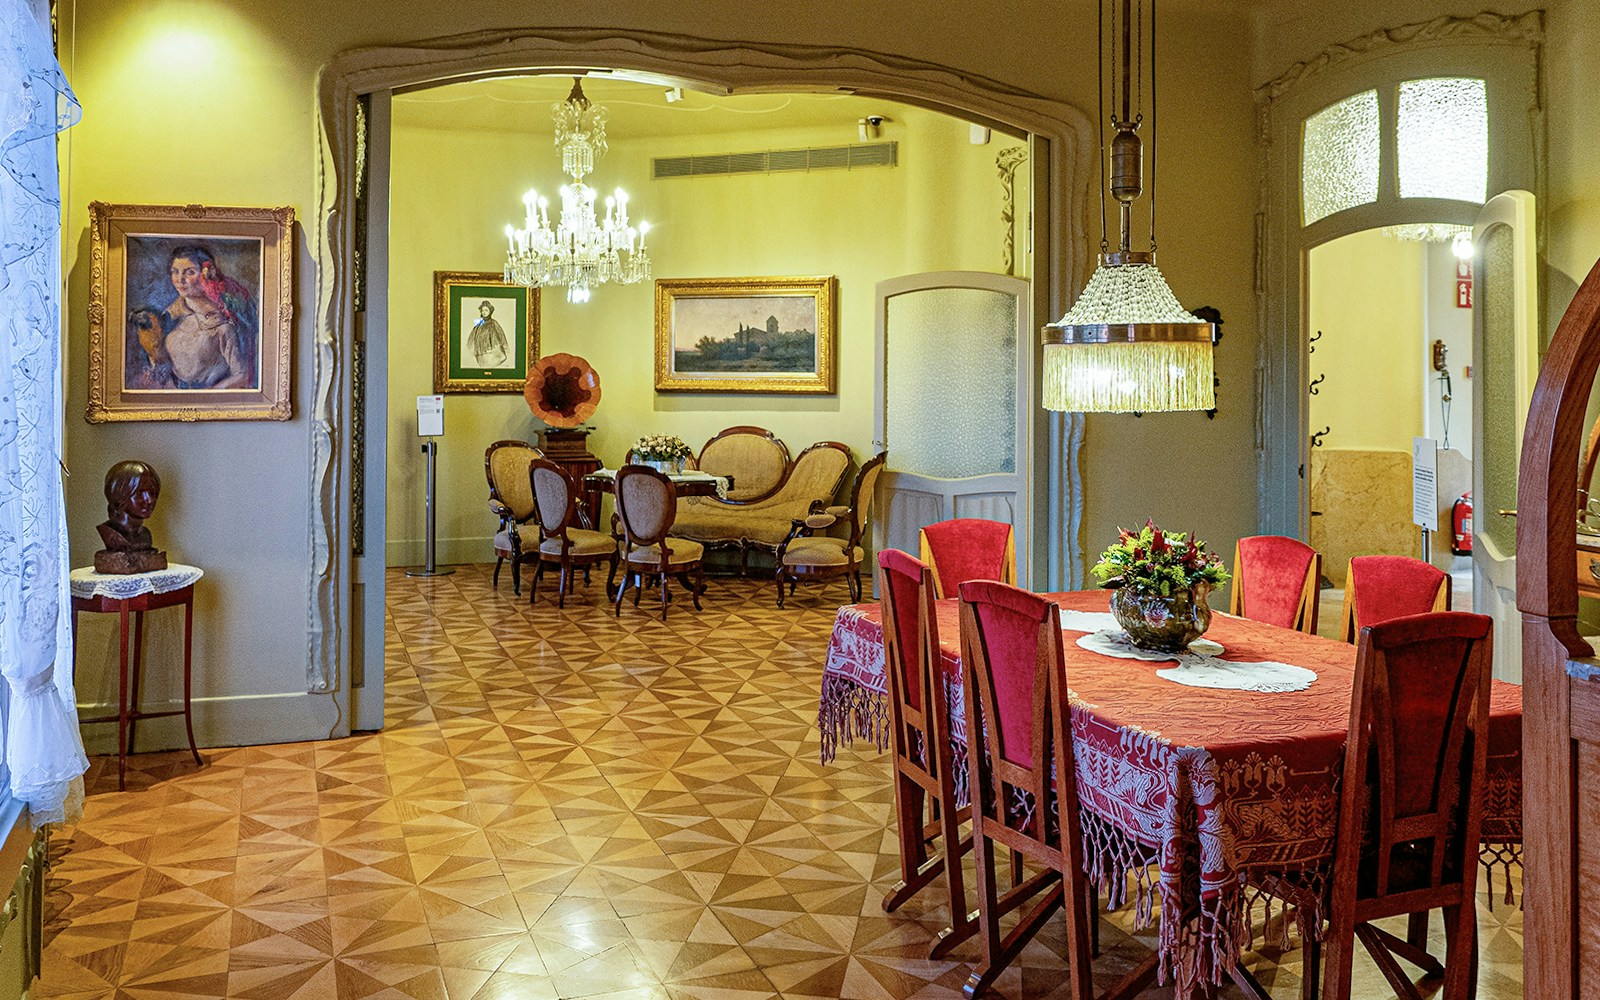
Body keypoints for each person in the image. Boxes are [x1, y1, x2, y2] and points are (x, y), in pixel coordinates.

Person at [158, 245, 258, 390]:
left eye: (189, 272)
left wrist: (208, 397)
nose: (180, 279)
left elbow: (242, 376)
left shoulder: (224, 324)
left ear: (205, 274)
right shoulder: (169, 314)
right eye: (175, 271)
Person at [94, 460, 167, 573]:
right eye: (139, 492)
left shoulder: (145, 534)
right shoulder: (112, 534)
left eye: (152, 492)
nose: (149, 500)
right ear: (119, 495)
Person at [468, 300, 510, 368]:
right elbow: (471, 339)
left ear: (490, 311)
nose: (484, 312)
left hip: (492, 355)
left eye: (486, 310)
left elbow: (501, 337)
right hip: (480, 355)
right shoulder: (478, 324)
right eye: (482, 310)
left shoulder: (494, 323)